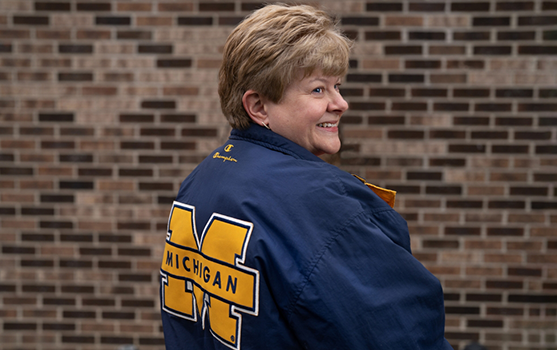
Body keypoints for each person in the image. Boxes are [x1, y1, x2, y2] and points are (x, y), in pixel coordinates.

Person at [159, 4, 453, 349]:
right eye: (318, 90)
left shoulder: (203, 178)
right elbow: (401, 337)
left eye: (337, 86)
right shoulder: (322, 204)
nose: (340, 103)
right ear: (259, 107)